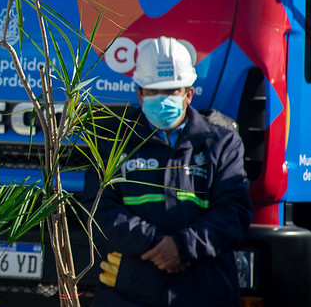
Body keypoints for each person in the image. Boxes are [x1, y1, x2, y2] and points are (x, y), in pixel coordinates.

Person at [84, 36, 253, 306]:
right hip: (129, 294)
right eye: (153, 91)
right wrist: (155, 243)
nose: (162, 99)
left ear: (189, 94)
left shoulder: (221, 142)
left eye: (172, 90)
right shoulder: (113, 143)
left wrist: (183, 247)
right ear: (139, 94)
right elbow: (98, 210)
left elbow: (234, 211)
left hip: (206, 293)